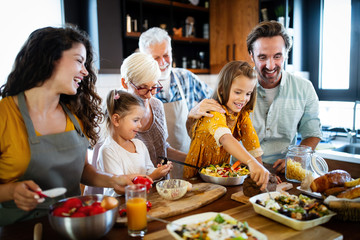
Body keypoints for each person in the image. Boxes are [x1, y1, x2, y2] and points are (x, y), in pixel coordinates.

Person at [0, 25, 136, 226]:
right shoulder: (5, 114)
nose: (85, 71)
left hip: (72, 224)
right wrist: (11, 191)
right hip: (17, 230)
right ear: (50, 58)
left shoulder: (74, 114)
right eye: (79, 61)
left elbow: (83, 170)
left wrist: (113, 180)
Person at [246, 21, 322, 172]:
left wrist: (295, 158)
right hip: (240, 171)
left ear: (286, 53)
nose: (270, 65)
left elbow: (312, 133)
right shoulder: (234, 87)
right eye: (262, 57)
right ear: (251, 56)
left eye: (277, 56)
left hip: (283, 172)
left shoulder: (304, 89)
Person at [183, 61, 269, 190]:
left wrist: (260, 171)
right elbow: (225, 138)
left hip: (219, 177)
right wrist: (251, 163)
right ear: (223, 89)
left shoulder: (242, 115)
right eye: (238, 92)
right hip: (195, 178)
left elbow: (252, 144)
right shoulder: (214, 111)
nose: (243, 99)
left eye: (248, 93)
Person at [138, 27, 224, 154]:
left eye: (166, 55)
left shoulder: (186, 78)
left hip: (187, 158)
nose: (162, 62)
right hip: (155, 164)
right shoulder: (140, 88)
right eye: (156, 58)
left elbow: (217, 100)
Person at [120, 52, 187, 178]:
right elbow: (116, 169)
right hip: (133, 191)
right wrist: (152, 175)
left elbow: (161, 148)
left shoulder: (156, 105)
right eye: (142, 88)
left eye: (154, 87)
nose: (149, 95)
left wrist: (192, 159)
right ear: (124, 83)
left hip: (161, 187)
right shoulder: (117, 116)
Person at [97, 90, 172, 196]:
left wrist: (159, 171)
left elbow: (147, 170)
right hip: (120, 205)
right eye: (136, 120)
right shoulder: (108, 150)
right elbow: (119, 187)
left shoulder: (139, 144)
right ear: (116, 120)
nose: (140, 125)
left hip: (139, 199)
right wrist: (153, 176)